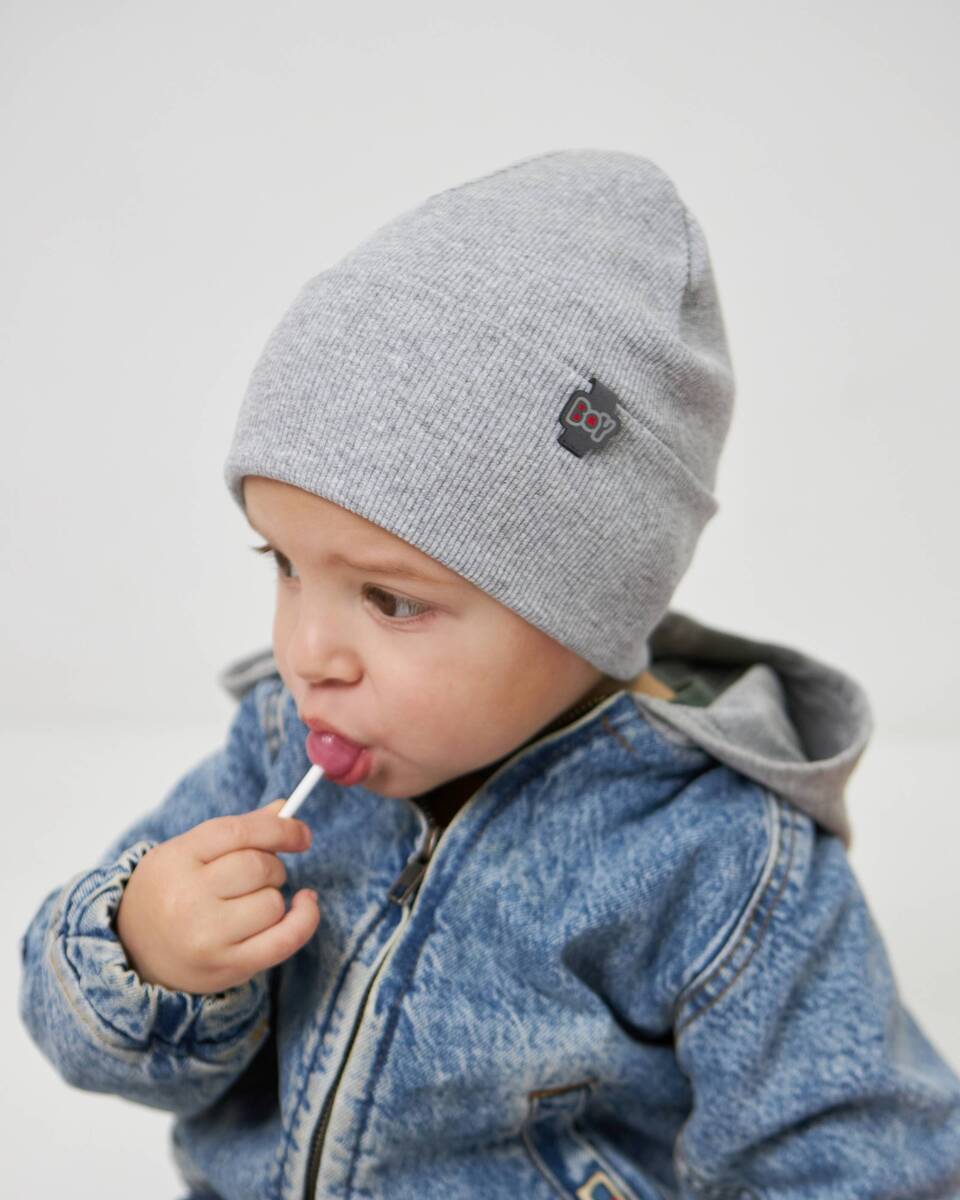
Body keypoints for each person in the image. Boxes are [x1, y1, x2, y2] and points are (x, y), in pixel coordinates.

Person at [19, 148, 960, 1199]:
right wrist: (145, 953)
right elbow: (71, 1028)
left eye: (390, 600)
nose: (308, 654)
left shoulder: (720, 853)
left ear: (588, 605)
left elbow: (857, 1158)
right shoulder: (275, 755)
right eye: (283, 564)